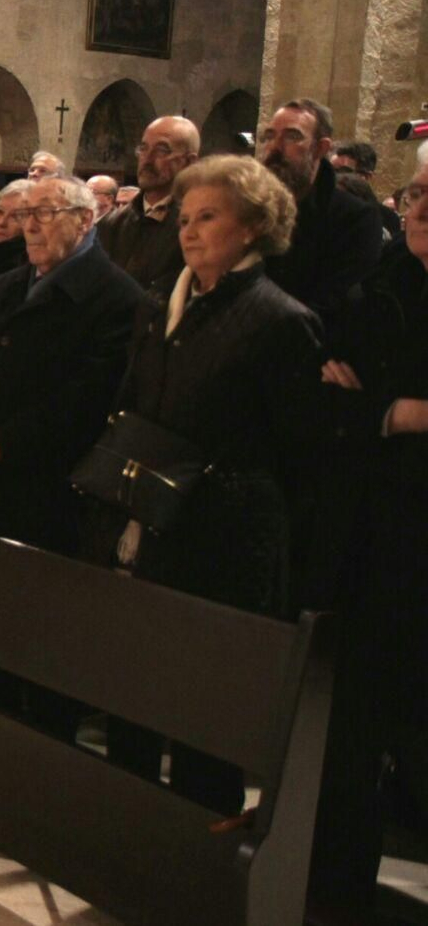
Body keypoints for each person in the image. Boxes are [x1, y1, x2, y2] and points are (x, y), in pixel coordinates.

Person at [96, 154, 394, 817]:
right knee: (135, 692)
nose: (190, 231)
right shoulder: (159, 306)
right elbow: (130, 402)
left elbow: (299, 451)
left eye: (209, 217)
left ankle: (205, 858)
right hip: (150, 519)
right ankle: (128, 829)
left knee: (207, 715)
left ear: (254, 228)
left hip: (226, 539)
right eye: (184, 217)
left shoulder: (279, 320)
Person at [0, 174, 143, 740]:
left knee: (46, 628)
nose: (29, 224)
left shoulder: (116, 298)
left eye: (45, 213)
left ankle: (44, 746)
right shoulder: (6, 286)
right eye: (24, 213)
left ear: (85, 221)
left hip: (48, 488)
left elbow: (88, 396)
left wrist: (3, 438)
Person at [308, 160, 428, 914]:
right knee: (350, 729)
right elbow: (325, 398)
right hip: (366, 540)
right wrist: (397, 413)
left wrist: (373, 408)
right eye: (418, 195)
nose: (422, 209)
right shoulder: (374, 289)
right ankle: (337, 890)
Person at [259, 98, 384, 338]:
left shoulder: (355, 218)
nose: (274, 147)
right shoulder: (248, 209)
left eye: (292, 136)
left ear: (321, 148)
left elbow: (337, 301)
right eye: (270, 136)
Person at [98, 116, 199, 290]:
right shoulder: (111, 224)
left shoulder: (195, 228)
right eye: (143, 148)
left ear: (189, 162)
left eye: (161, 150)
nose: (147, 159)